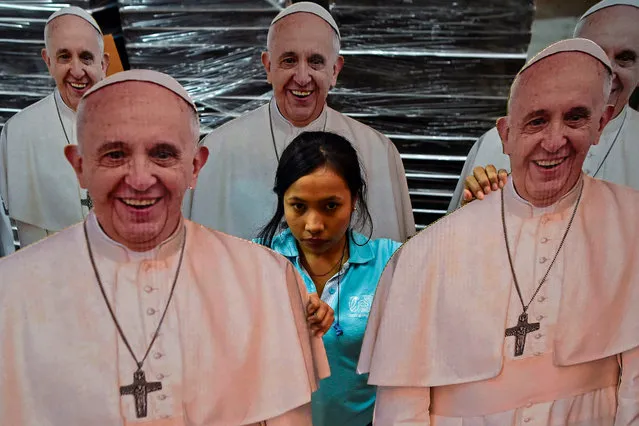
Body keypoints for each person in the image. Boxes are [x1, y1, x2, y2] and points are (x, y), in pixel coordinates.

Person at [0, 69, 331, 425]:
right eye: (115, 154)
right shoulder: (11, 291)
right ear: (79, 165)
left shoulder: (267, 281)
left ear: (195, 166)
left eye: (163, 154)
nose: (140, 179)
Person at [358, 39, 639, 425]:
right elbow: (400, 407)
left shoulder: (631, 224)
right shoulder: (427, 254)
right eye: (537, 120)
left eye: (575, 118)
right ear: (505, 134)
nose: (555, 141)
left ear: (600, 123)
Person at [187, 2, 415, 242]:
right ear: (268, 66)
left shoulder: (378, 153)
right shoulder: (217, 152)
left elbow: (398, 267)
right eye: (289, 60)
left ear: (335, 71)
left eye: (316, 61)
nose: (303, 77)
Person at [255, 131, 401, 426]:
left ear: (354, 200)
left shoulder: (390, 262)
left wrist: (475, 212)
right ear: (282, 200)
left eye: (330, 206)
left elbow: (452, 271)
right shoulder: (257, 262)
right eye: (298, 206)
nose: (314, 225)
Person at [448, 0, 639, 210]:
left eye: (625, 58)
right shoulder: (493, 143)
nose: (609, 72)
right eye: (595, 56)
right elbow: (452, 236)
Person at [0, 6, 109, 255]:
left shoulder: (134, 122)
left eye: (86, 57)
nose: (77, 71)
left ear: (104, 64)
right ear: (48, 61)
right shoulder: (18, 133)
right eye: (64, 57)